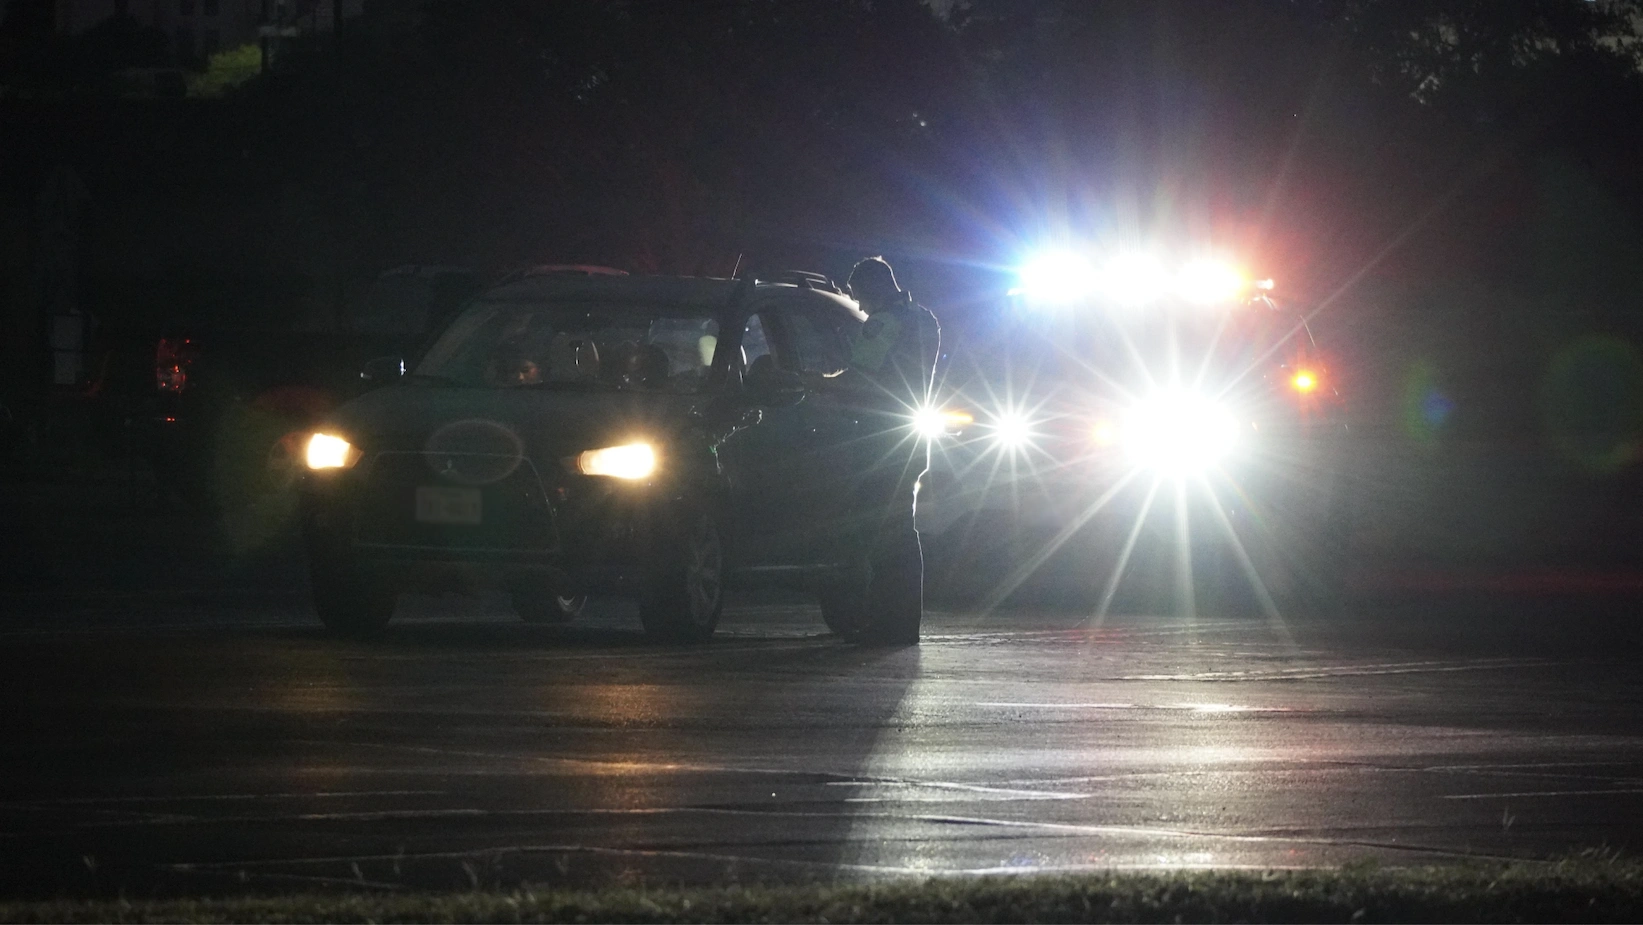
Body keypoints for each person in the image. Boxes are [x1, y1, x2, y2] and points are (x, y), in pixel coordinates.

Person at [836, 256, 941, 643]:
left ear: (874, 288)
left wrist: (814, 381)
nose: (859, 306)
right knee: (901, 529)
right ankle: (902, 623)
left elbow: (859, 377)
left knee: (883, 534)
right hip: (911, 433)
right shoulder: (924, 318)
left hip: (881, 437)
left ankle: (886, 625)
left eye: (859, 296)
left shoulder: (883, 323)